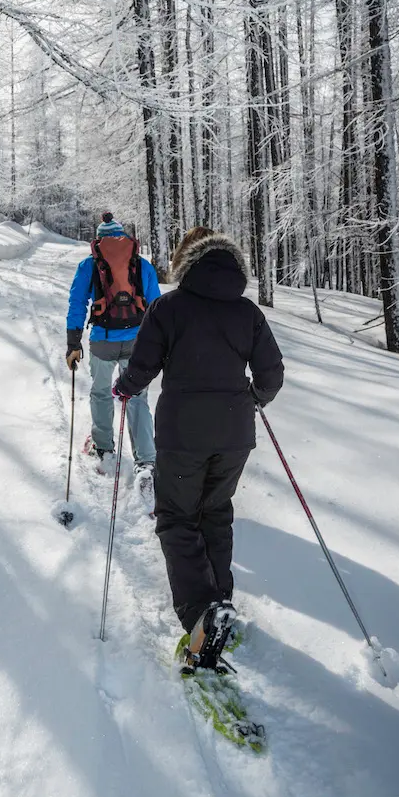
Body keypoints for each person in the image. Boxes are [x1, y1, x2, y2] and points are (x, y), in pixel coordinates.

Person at [113, 227, 283, 667]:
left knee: (176, 518)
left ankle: (200, 615)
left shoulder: (170, 307)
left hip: (183, 435)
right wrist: (251, 400)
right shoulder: (248, 313)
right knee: (215, 514)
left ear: (187, 265)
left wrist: (124, 388)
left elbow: (143, 365)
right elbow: (272, 375)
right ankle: (219, 603)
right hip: (233, 436)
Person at [66, 212, 160, 493]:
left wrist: (73, 343)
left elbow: (77, 303)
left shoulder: (88, 265)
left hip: (102, 341)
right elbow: (157, 306)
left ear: (98, 241)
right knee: (137, 398)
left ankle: (104, 448)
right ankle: (146, 462)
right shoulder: (141, 265)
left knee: (101, 393)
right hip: (137, 341)